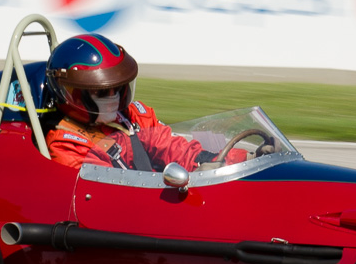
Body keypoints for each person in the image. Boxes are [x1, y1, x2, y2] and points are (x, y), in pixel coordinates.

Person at [43, 33, 240, 171]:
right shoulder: (67, 146)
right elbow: (108, 194)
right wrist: (186, 181)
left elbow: (171, 146)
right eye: (101, 91)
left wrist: (231, 160)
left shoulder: (133, 117)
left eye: (118, 87)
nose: (114, 96)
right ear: (71, 94)